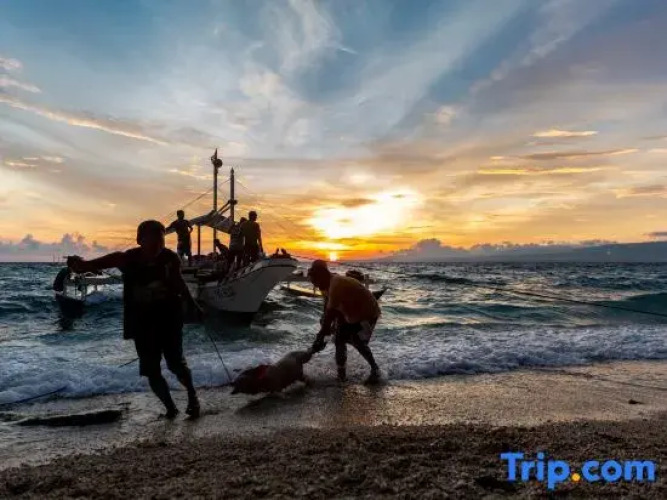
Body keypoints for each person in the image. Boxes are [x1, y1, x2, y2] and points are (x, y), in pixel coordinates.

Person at [67, 220, 202, 419]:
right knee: (151, 371)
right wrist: (81, 265)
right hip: (142, 323)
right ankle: (170, 408)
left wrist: (193, 305)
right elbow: (98, 263)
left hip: (169, 319)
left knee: (176, 364)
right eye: (153, 239)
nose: (157, 244)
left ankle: (192, 396)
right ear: (140, 240)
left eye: (161, 239)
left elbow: (179, 282)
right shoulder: (128, 258)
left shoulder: (170, 258)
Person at [308, 260, 381, 383]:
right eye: (313, 283)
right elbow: (327, 308)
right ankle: (341, 375)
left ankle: (376, 371)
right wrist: (324, 326)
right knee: (339, 338)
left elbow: (330, 315)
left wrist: (321, 335)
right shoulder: (324, 285)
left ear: (323, 274)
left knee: (356, 339)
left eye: (316, 282)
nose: (316, 286)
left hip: (367, 312)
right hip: (349, 311)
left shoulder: (336, 284)